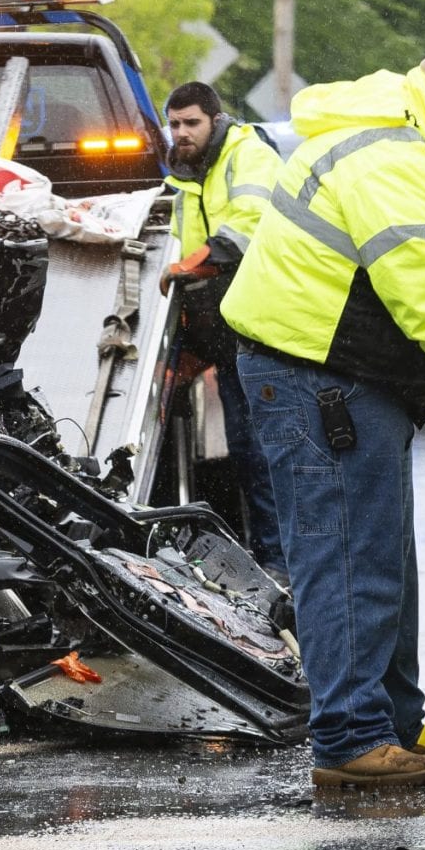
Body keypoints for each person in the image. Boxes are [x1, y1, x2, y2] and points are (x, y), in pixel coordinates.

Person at [222, 33, 425, 794]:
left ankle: (389, 728)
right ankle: (351, 739)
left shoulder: (413, 137)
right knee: (350, 559)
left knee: (381, 561)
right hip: (319, 376)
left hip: (339, 375)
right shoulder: (394, 154)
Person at [158, 80, 286, 574]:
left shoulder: (245, 155)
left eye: (192, 122)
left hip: (263, 334)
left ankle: (279, 565)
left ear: (215, 119)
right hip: (230, 337)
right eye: (174, 124)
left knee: (260, 454)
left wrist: (188, 266)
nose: (182, 132)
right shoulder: (190, 177)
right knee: (248, 456)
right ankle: (268, 558)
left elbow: (245, 228)